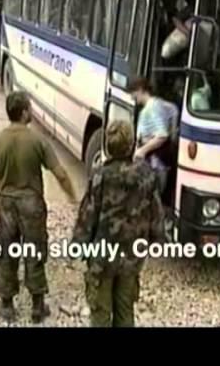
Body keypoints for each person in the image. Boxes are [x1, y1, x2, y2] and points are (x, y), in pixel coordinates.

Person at [0, 92, 77, 323]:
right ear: (24, 111)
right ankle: (37, 305)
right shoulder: (38, 141)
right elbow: (61, 174)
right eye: (30, 107)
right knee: (35, 252)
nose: (31, 111)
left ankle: (6, 305)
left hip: (5, 203)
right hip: (32, 204)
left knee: (8, 252)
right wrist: (72, 198)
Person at [72, 120, 165, 327]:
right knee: (125, 312)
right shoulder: (146, 176)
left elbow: (87, 216)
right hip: (132, 258)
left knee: (100, 313)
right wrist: (158, 241)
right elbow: (156, 215)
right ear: (132, 145)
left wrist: (77, 245)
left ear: (108, 146)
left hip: (102, 259)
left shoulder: (99, 176)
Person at [127, 77, 179, 196]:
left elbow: (162, 135)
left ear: (140, 90)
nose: (132, 97)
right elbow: (174, 110)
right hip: (157, 163)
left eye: (132, 93)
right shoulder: (160, 103)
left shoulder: (152, 108)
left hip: (154, 165)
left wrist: (142, 151)